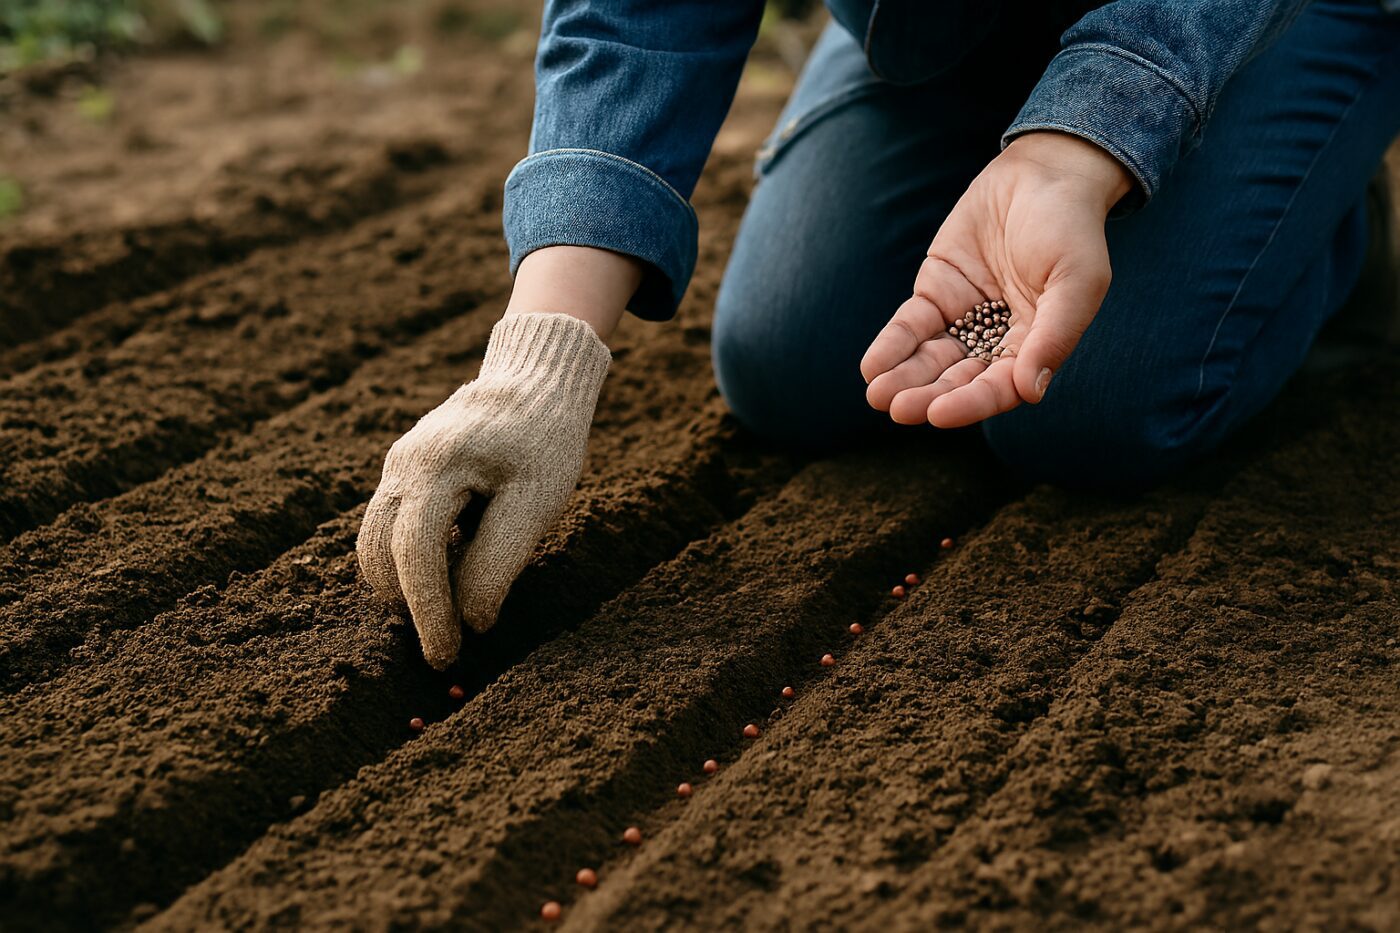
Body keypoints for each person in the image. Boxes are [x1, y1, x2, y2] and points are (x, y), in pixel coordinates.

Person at [357, 0, 1400, 668]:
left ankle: (1315, 211)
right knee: (789, 363)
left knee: (1094, 409)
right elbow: (635, 14)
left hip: (1237, 16)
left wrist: (1074, 151)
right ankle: (1020, 140)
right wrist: (537, 358)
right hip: (942, 27)